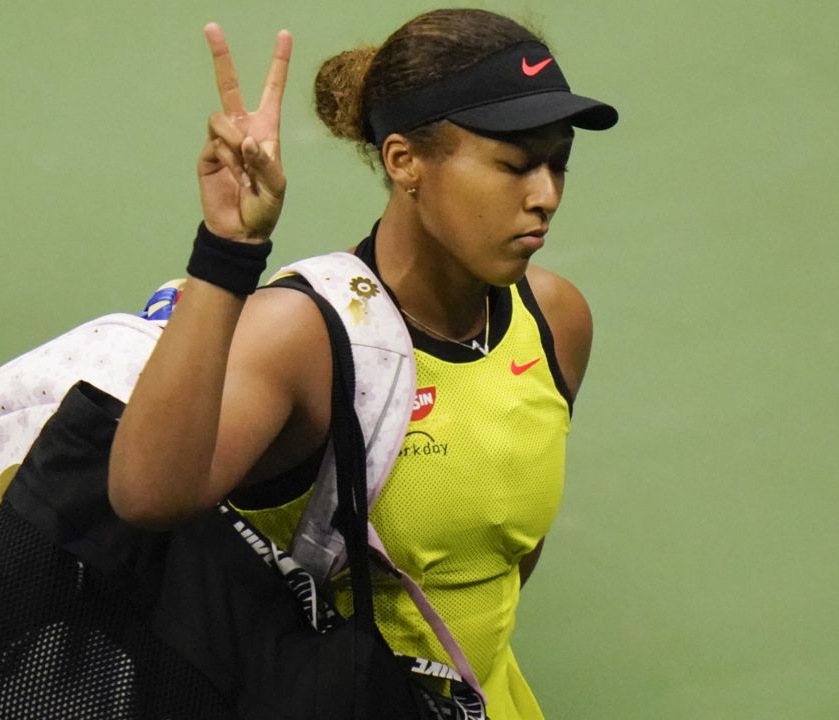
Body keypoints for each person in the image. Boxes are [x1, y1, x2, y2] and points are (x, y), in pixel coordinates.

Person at [108, 9, 617, 718]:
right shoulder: (303, 334)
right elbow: (147, 495)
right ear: (405, 161)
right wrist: (228, 252)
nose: (546, 196)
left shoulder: (555, 321)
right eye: (513, 164)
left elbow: (497, 567)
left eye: (558, 161)